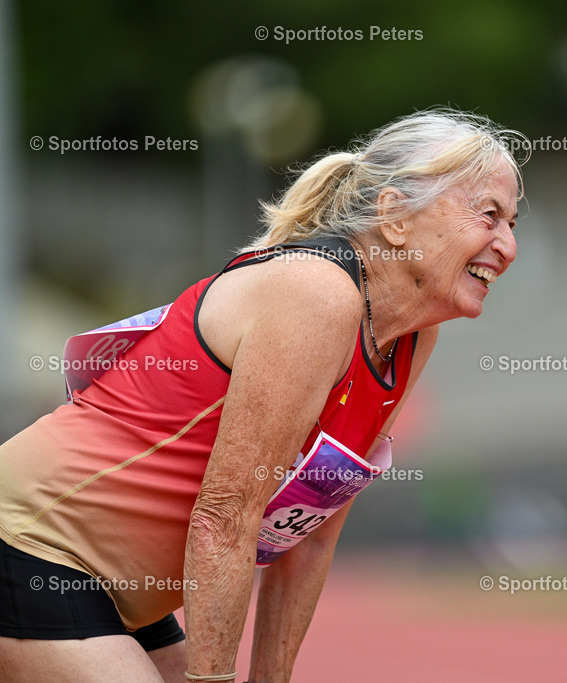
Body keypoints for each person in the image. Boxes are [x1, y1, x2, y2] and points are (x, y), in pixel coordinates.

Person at [0, 108, 524, 682]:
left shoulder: (412, 337)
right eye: (488, 215)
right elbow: (225, 517)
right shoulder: (316, 294)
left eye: (512, 224)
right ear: (394, 215)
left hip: (124, 589)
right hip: (33, 543)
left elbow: (308, 537)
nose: (507, 246)